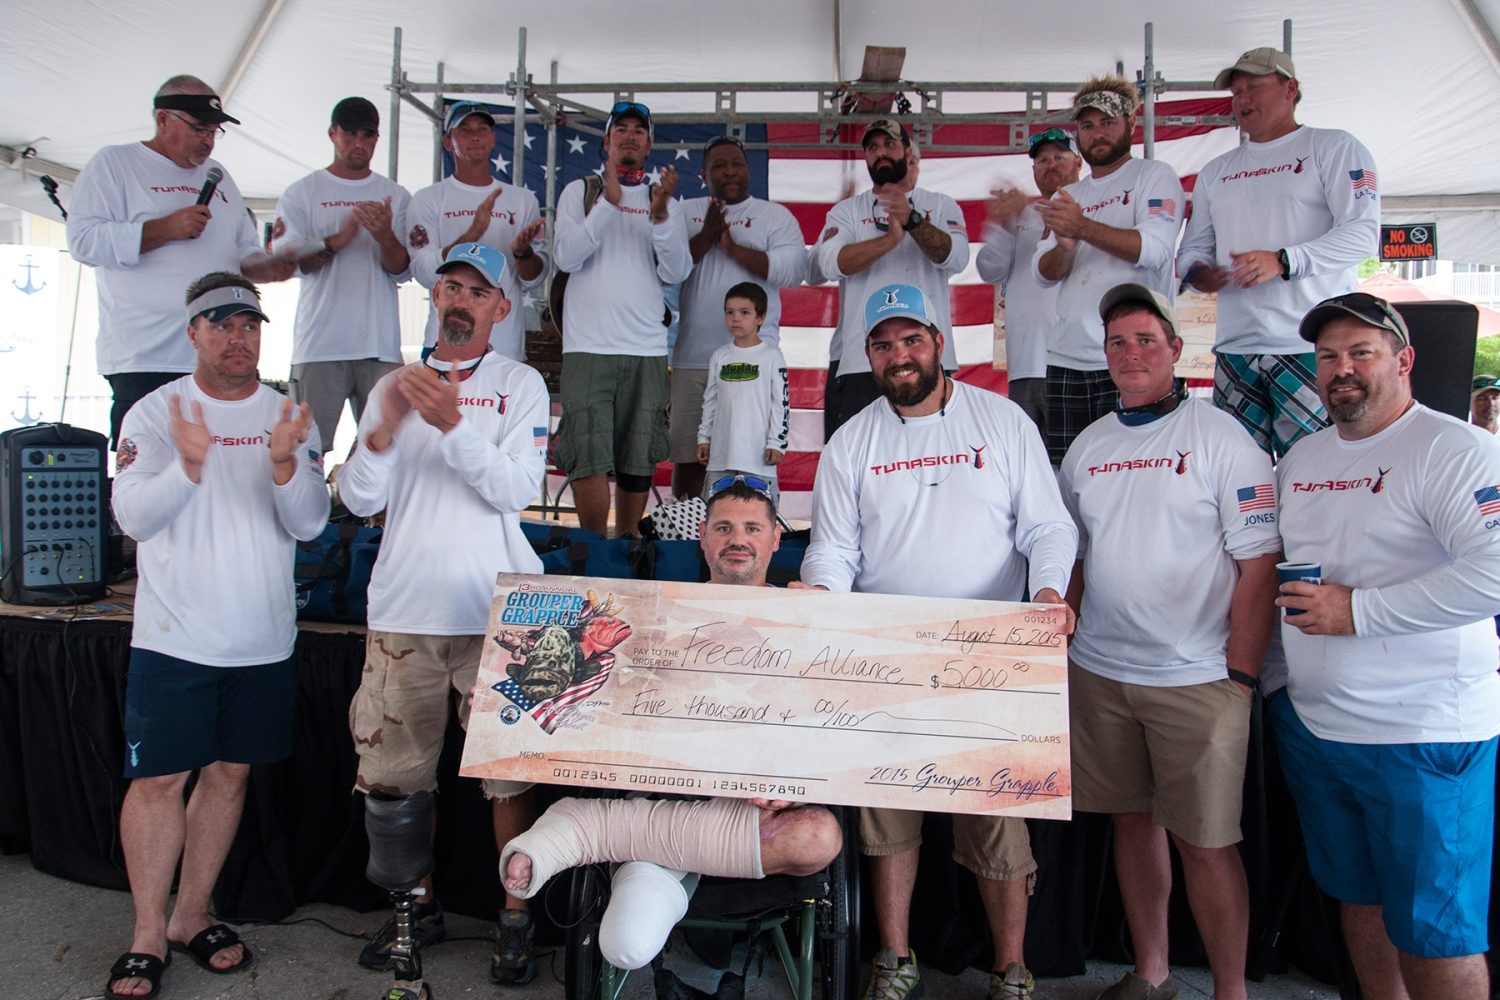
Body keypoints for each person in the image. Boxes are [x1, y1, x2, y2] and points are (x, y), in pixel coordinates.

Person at [798, 283, 1078, 1000]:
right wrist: (821, 598)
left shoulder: (1003, 420)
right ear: (867, 355)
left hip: (990, 654)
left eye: (911, 340)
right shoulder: (851, 441)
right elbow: (833, 549)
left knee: (996, 822)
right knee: (888, 819)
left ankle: (1011, 969)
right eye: (883, 345)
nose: (899, 355)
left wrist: (1048, 593)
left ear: (938, 343)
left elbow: (1048, 526)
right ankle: (895, 958)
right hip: (889, 656)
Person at [498, 477, 843, 970]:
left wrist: (795, 785)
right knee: (626, 945)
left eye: (752, 528)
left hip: (746, 812)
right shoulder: (654, 612)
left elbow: (832, 728)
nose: (737, 539)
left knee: (818, 837)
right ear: (702, 538)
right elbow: (599, 710)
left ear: (774, 540)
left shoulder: (810, 616)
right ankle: (628, 849)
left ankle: (589, 831)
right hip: (666, 793)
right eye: (723, 528)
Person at [106, 272, 329, 999]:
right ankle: (147, 932)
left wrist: (285, 462)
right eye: (222, 324)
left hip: (261, 638)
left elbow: (310, 523)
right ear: (192, 332)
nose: (239, 338)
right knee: (158, 781)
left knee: (230, 775)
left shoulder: (286, 413)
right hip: (173, 638)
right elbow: (133, 518)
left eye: (250, 324)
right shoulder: (153, 413)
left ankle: (191, 915)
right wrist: (189, 467)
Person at [1059, 283, 1281, 1000]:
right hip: (1102, 672)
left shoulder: (1222, 438)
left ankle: (1230, 992)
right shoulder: (1088, 447)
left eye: (1145, 340)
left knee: (1207, 843)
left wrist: (1240, 678)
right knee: (1131, 824)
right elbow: (1076, 557)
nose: (1131, 354)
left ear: (1177, 349)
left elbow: (1259, 565)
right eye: (1117, 343)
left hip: (1199, 678)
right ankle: (1151, 974)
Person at [1276, 292, 1500, 1000]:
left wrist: (1361, 612)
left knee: (1437, 932)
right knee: (1360, 901)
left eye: (1361, 352)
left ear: (1404, 361)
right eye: (1328, 356)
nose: (1342, 368)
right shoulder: (1302, 457)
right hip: (1319, 729)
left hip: (1423, 735)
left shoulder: (1455, 449)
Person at [337, 243, 551, 986]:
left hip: (500, 612)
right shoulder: (391, 385)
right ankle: (415, 910)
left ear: (501, 307)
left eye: (478, 291)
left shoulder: (519, 383)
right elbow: (358, 498)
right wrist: (384, 431)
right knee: (396, 781)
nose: (462, 299)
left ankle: (515, 916)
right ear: (435, 295)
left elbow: (516, 490)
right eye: (452, 286)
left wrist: (453, 426)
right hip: (405, 611)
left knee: (508, 780)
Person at [66, 75, 295, 448]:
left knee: (222, 465)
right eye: (199, 128)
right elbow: (83, 242)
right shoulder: (115, 164)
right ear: (162, 119)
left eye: (214, 131)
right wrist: (165, 228)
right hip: (147, 357)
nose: (208, 140)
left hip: (216, 356)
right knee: (147, 467)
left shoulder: (220, 177)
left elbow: (242, 252)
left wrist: (271, 266)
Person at [1177, 48, 1380, 458]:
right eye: (1236, 91)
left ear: (1291, 89)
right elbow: (1191, 250)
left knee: (1312, 466)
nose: (1242, 99)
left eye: (1253, 86)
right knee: (1236, 471)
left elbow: (1362, 235)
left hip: (1309, 344)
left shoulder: (1334, 146)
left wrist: (1283, 260)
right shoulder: (1215, 171)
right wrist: (1199, 273)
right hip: (1234, 347)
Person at [552, 101, 692, 536]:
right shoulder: (580, 192)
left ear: (648, 145)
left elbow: (676, 271)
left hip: (645, 349)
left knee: (638, 457)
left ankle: (627, 545)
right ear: (606, 141)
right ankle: (596, 550)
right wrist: (608, 205)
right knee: (587, 455)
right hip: (587, 347)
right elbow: (566, 257)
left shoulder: (664, 202)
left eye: (639, 130)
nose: (630, 136)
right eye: (621, 129)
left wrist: (661, 218)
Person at [1033, 75, 1186, 464]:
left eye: (1107, 122)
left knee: (1136, 468)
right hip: (1067, 357)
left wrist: (1082, 227)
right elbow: (1043, 274)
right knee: (1067, 473)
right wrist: (1065, 247)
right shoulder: (1069, 195)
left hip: (1131, 354)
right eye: (1087, 125)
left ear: (1131, 123)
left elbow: (1154, 249)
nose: (1097, 133)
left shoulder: (1154, 176)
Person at [273, 97, 412, 454]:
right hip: (320, 345)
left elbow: (403, 270)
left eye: (368, 135)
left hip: (380, 344)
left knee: (386, 451)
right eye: (350, 134)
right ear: (332, 133)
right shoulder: (302, 192)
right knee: (306, 451)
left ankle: (357, 494)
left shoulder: (396, 195)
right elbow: (288, 263)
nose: (359, 143)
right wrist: (340, 238)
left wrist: (384, 235)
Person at [671, 135, 807, 498]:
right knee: (690, 457)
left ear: (749, 170)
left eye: (737, 164)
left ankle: (746, 527)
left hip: (754, 361)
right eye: (719, 165)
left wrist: (731, 247)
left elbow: (793, 270)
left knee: (749, 459)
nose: (729, 171)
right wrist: (707, 236)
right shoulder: (685, 212)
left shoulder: (773, 216)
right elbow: (667, 267)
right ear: (703, 175)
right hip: (693, 359)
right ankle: (687, 528)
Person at [815, 120, 970, 438]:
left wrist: (911, 219)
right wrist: (887, 242)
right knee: (857, 456)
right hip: (863, 361)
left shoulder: (940, 205)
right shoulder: (847, 211)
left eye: (889, 144)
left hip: (927, 359)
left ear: (907, 152)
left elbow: (956, 257)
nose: (881, 153)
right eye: (872, 147)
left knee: (930, 452)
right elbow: (829, 263)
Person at [406, 100, 547, 362]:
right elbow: (423, 273)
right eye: (464, 130)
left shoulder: (522, 199)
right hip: (442, 347)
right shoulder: (427, 199)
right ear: (448, 142)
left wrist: (522, 253)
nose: (475, 137)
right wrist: (472, 234)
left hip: (504, 348)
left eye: (482, 129)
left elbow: (534, 279)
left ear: (493, 139)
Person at [975, 128, 1083, 433]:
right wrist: (1003, 224)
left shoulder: (1095, 209)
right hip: (1026, 365)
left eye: (1059, 157)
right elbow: (989, 270)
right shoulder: (1021, 214)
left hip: (1081, 363)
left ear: (1078, 162)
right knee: (1031, 458)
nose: (1051, 165)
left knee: (1078, 455)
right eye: (1042, 160)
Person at [696, 282, 790, 500]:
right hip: (721, 457)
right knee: (715, 509)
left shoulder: (772, 356)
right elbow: (710, 401)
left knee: (761, 511)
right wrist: (704, 438)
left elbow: (781, 403)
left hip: (757, 458)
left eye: (744, 312)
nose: (735, 319)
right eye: (730, 312)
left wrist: (776, 443)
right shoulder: (720, 356)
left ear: (760, 318)